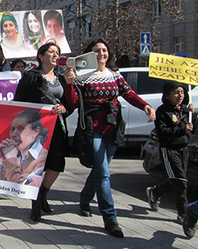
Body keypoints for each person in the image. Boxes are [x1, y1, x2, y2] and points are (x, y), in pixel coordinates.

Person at [63, 38, 156, 238]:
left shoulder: (114, 75)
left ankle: (85, 198)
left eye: (104, 51)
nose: (101, 54)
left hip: (113, 127)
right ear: (89, 55)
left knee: (100, 169)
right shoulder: (82, 76)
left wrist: (145, 105)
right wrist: (69, 83)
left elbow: (128, 93)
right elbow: (73, 102)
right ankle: (110, 218)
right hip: (92, 129)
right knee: (104, 173)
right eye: (97, 51)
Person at [14, 42, 72, 222]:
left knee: (56, 164)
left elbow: (70, 103)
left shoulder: (62, 78)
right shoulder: (31, 77)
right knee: (36, 165)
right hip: (36, 127)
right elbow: (19, 101)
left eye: (57, 53)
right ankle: (35, 203)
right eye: (51, 52)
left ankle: (43, 194)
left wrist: (64, 109)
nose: (55, 56)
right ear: (41, 56)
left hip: (56, 127)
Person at [147, 81, 197, 223]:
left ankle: (155, 192)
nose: (179, 96)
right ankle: (183, 213)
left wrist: (194, 114)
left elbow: (193, 127)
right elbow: (163, 132)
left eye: (182, 92)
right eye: (176, 92)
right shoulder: (163, 111)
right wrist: (182, 129)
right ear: (167, 95)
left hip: (184, 149)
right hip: (169, 150)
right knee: (181, 182)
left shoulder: (184, 110)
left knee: (178, 179)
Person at [0, 109, 49, 186]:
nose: (14, 134)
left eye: (21, 128)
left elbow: (20, 188)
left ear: (35, 131)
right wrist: (2, 159)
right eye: (12, 129)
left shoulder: (41, 157)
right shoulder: (16, 152)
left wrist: (11, 160)